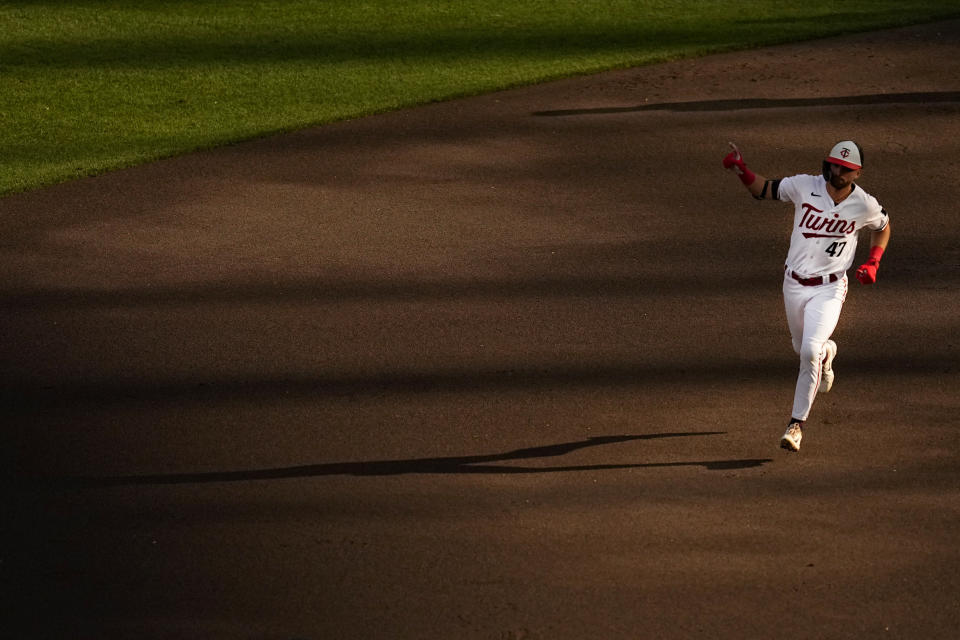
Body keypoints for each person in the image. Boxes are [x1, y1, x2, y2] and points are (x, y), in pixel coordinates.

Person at [722, 140, 891, 452]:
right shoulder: (804, 186)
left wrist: (874, 261)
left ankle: (796, 424)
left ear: (857, 173)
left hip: (829, 288)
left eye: (844, 168)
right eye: (833, 164)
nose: (836, 170)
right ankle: (828, 354)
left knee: (808, 352)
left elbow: (883, 226)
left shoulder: (864, 204)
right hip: (794, 284)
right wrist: (742, 171)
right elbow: (765, 190)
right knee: (802, 348)